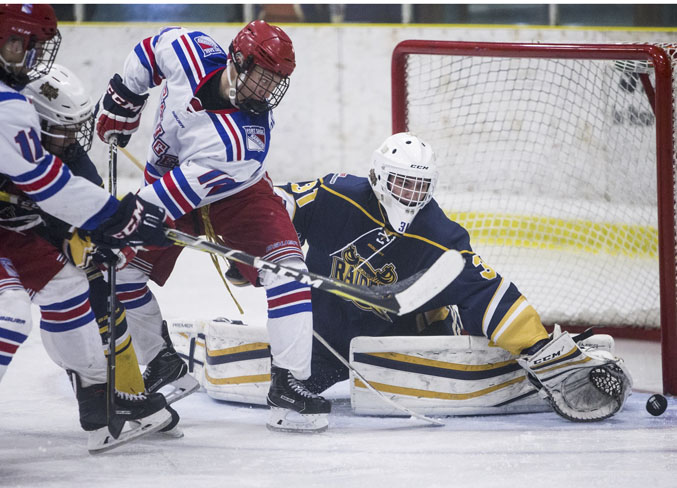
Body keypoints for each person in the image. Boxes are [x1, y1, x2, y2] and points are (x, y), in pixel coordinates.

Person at [229, 132, 633, 422]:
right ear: (378, 176)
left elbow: (490, 294)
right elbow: (274, 208)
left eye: (420, 187)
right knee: (270, 389)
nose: (410, 196)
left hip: (399, 342)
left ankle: (542, 347)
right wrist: (249, 253)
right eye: (402, 183)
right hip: (322, 334)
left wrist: (538, 344)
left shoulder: (441, 235)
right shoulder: (336, 195)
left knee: (454, 334)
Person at [95, 20, 330, 432]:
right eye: (262, 78)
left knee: (288, 268)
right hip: (170, 184)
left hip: (236, 197)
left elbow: (167, 200)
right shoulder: (189, 49)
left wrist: (111, 224)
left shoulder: (243, 142)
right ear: (236, 62)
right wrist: (126, 97)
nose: (268, 92)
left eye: (277, 82)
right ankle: (163, 364)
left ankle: (289, 383)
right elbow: (149, 51)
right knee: (122, 274)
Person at [0, 4, 174, 451]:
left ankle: (98, 400)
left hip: (8, 231)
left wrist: (101, 230)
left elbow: (52, 195)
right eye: (24, 47)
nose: (31, 58)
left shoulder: (14, 100)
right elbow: (44, 182)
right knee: (12, 312)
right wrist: (118, 218)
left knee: (65, 285)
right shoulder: (8, 107)